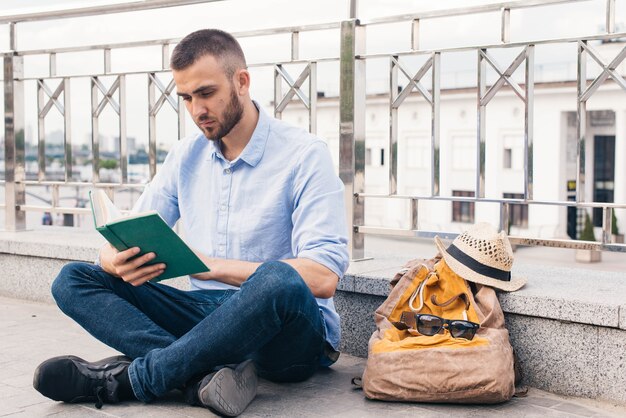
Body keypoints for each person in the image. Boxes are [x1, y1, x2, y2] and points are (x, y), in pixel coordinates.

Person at [33, 29, 349, 417]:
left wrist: (208, 265)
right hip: (207, 316)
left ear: (242, 82)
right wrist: (112, 259)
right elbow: (132, 228)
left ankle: (134, 380)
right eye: (186, 98)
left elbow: (321, 277)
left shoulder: (304, 155)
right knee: (74, 279)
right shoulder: (185, 155)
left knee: (277, 278)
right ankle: (198, 377)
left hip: (286, 334)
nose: (197, 109)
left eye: (206, 93)